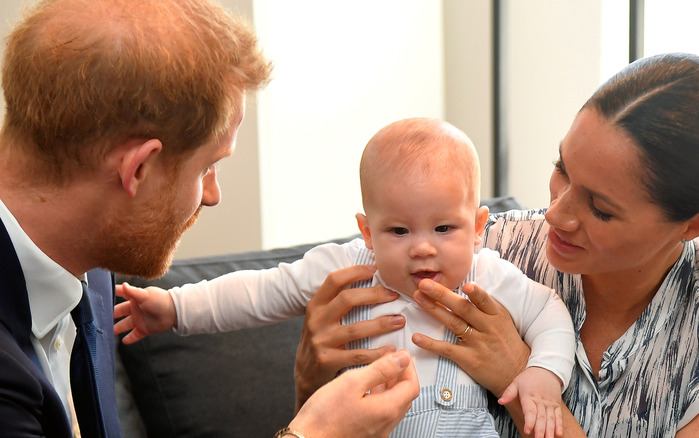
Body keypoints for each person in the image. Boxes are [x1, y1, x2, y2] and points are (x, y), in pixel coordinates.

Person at [293, 53, 699, 437]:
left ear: (694, 225)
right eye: (562, 168)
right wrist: (312, 378)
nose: (556, 214)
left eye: (600, 208)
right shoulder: (486, 247)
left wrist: (518, 377)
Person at [0, 0, 417, 437]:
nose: (213, 195)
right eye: (206, 168)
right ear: (138, 169)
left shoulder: (90, 263)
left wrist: (311, 392)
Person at [113, 117, 576, 438]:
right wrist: (174, 309)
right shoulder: (346, 268)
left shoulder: (488, 275)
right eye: (398, 230)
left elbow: (550, 315)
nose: (422, 247)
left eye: (444, 228)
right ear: (366, 231)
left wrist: (542, 375)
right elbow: (260, 291)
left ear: (477, 228)